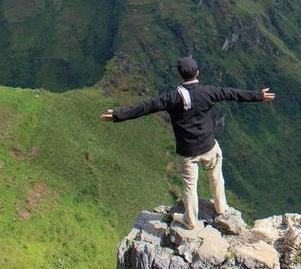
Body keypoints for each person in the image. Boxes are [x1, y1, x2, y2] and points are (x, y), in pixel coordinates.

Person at [100, 57, 275, 230]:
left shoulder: (172, 97)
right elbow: (232, 93)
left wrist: (117, 115)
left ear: (180, 75)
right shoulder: (208, 91)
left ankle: (190, 220)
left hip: (187, 152)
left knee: (190, 187)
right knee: (216, 176)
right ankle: (221, 207)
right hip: (209, 146)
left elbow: (146, 107)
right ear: (197, 72)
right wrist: (259, 95)